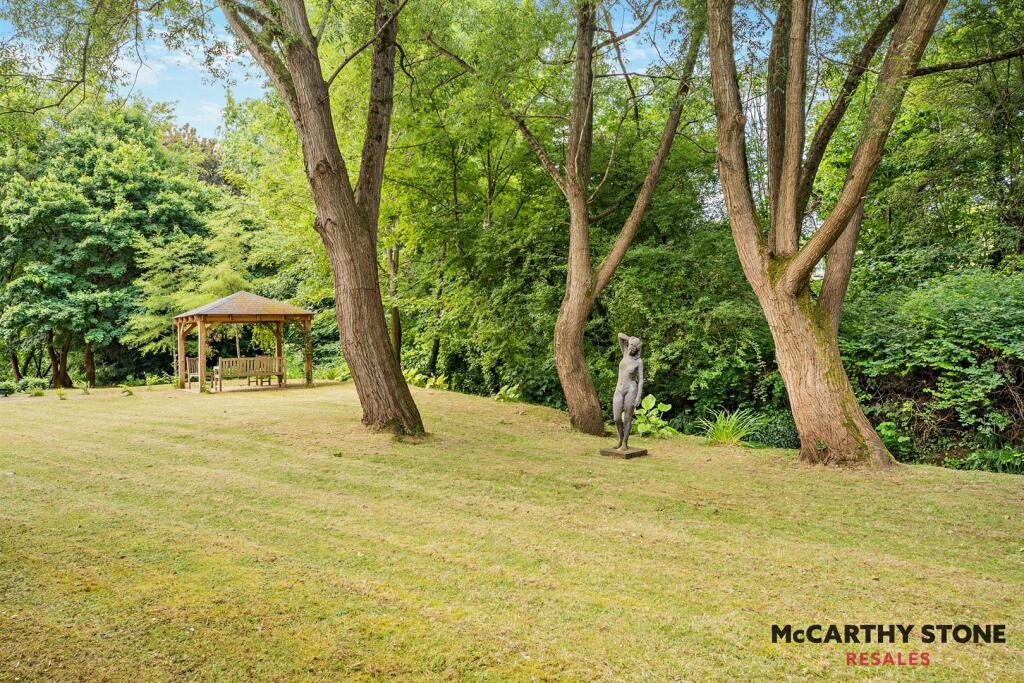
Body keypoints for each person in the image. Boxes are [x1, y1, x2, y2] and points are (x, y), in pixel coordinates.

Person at [613, 332, 643, 450]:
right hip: (619, 389)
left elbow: (641, 380)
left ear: (637, 349)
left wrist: (638, 397)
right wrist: (630, 338)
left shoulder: (639, 361)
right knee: (616, 418)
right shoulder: (624, 353)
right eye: (630, 346)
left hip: (631, 389)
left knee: (627, 418)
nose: (630, 349)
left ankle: (625, 443)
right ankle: (620, 439)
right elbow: (619, 335)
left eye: (633, 347)